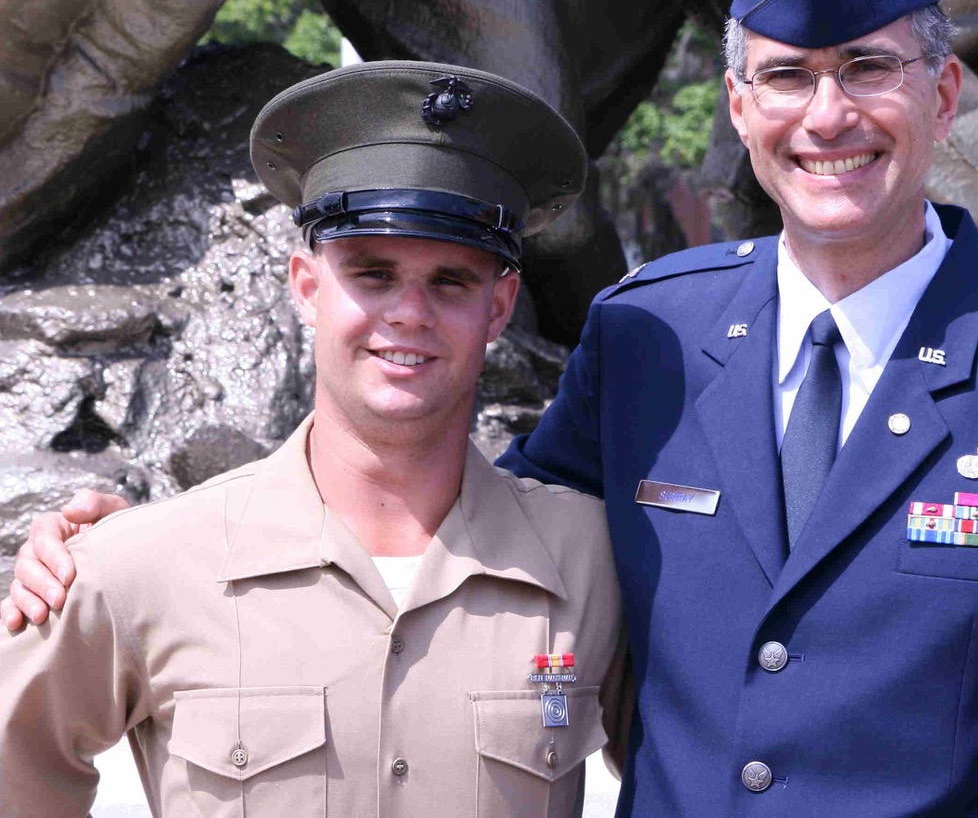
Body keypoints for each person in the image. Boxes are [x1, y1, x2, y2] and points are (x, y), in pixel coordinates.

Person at [6, 0, 978, 817]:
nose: (827, 116)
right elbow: (462, 519)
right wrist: (136, 548)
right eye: (786, 77)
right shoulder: (653, 337)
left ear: (944, 97)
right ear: (738, 108)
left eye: (867, 71)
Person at [0, 60, 627, 817]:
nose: (408, 314)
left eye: (451, 282)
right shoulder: (142, 565)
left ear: (500, 307)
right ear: (306, 286)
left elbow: (704, 766)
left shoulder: (596, 564)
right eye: (373, 273)